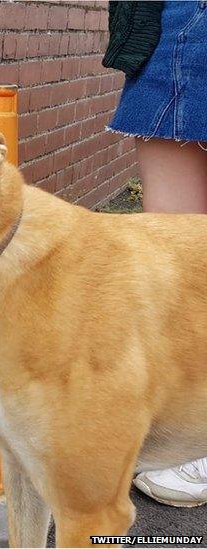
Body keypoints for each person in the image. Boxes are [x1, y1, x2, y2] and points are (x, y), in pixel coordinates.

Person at [104, 0, 207, 507]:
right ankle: (180, 430)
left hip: (180, 27)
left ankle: (189, 440)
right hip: (174, 28)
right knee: (173, 253)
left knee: (175, 254)